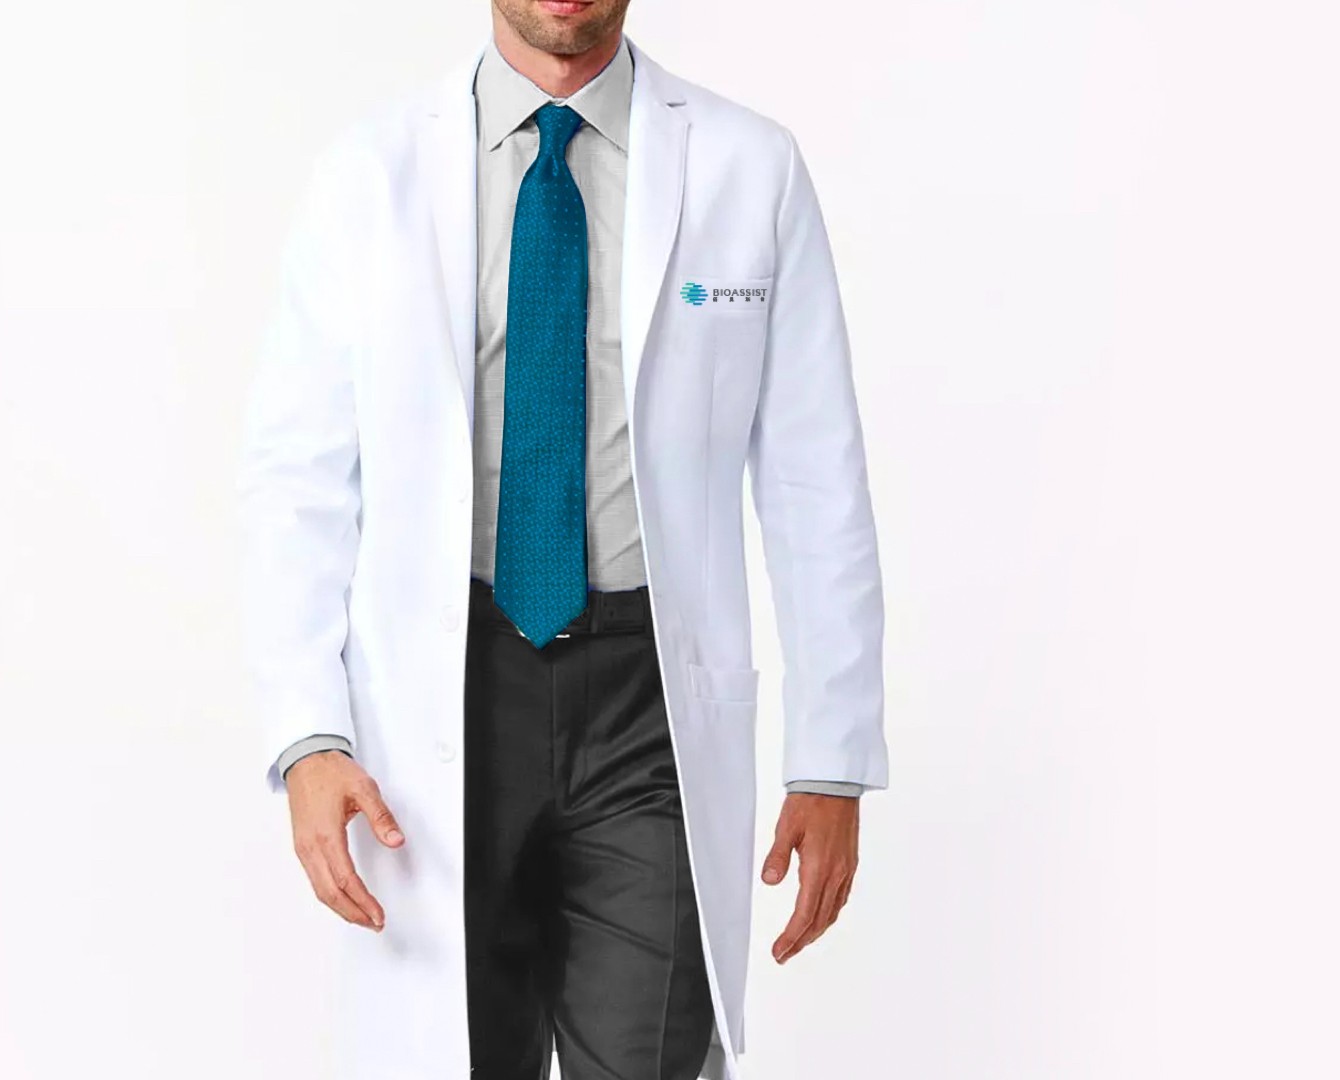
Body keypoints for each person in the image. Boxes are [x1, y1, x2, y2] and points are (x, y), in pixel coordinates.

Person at [237, 1, 887, 1076]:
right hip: (449, 696)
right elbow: (297, 479)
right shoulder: (369, 175)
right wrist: (309, 734)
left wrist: (834, 758)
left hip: (650, 712)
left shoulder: (749, 169)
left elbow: (817, 480)